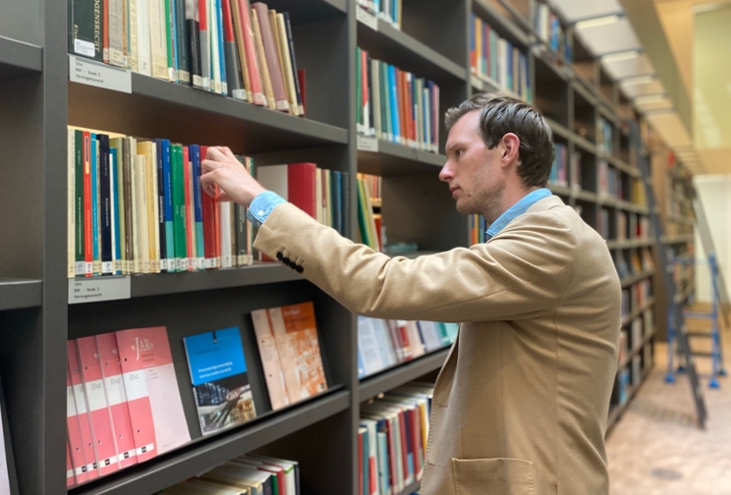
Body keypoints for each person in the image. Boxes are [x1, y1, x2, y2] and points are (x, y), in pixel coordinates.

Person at [200, 94, 621, 495]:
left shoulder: (552, 238)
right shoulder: (537, 233)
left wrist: (260, 201)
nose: (444, 171)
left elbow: (383, 285)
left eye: (458, 152)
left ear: (507, 150)